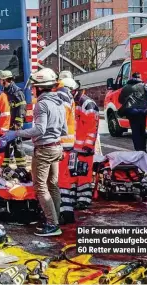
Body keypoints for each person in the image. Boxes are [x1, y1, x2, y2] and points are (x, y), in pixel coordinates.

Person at [0, 68, 67, 237]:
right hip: (57, 146)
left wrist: (16, 133)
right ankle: (55, 218)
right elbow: (64, 129)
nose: (32, 89)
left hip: (44, 150)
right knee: (53, 185)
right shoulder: (59, 102)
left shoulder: (42, 104)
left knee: (40, 187)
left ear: (39, 87)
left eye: (34, 86)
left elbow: (38, 129)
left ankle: (52, 224)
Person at [72, 80, 99, 210]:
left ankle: (84, 200)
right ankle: (75, 198)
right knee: (74, 174)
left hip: (84, 148)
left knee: (83, 174)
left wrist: (88, 145)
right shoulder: (73, 102)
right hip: (74, 147)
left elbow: (92, 128)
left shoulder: (87, 104)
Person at [56, 77, 79, 224]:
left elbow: (59, 121)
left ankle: (64, 211)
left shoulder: (62, 96)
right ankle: (67, 210)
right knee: (64, 177)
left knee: (59, 178)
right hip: (68, 143)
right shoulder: (69, 97)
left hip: (61, 144)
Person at [0, 70, 27, 171]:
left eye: (1, 79)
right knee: (6, 145)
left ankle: (22, 168)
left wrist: (18, 122)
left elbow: (22, 107)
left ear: (5, 80)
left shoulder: (16, 91)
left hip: (15, 124)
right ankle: (5, 166)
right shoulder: (5, 91)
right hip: (8, 124)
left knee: (17, 145)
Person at [118, 72, 147, 152]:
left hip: (131, 112)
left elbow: (120, 100)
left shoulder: (125, 87)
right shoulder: (145, 86)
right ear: (140, 77)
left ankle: (138, 149)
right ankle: (143, 149)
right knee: (142, 130)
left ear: (131, 77)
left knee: (135, 131)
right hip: (143, 111)